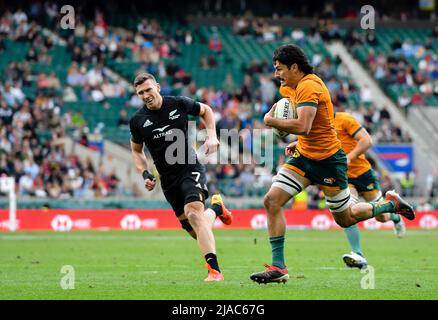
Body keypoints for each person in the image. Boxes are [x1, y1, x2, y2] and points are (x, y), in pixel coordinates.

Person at [250, 44, 415, 284]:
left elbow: (303, 125)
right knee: (272, 200)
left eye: (280, 69)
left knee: (345, 218)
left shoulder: (309, 86)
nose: (277, 74)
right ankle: (279, 267)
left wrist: (270, 120)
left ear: (294, 67)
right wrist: (293, 138)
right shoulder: (288, 87)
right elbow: (303, 127)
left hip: (329, 161)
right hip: (305, 157)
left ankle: (389, 205)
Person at [129, 73, 233, 282]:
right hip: (168, 180)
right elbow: (137, 151)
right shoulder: (137, 121)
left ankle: (214, 271)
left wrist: (212, 135)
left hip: (189, 167)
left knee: (194, 214)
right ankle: (216, 209)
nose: (145, 95)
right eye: (140, 93)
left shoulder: (178, 103)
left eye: (148, 89)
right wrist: (144, 173)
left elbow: (206, 110)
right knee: (195, 228)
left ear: (157, 87)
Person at [285, 111, 406, 270]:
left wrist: (350, 156)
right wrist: (298, 145)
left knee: (382, 218)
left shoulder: (344, 119)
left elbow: (366, 140)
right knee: (346, 210)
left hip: (363, 174)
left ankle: (395, 218)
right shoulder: (315, 125)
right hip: (343, 177)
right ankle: (358, 254)